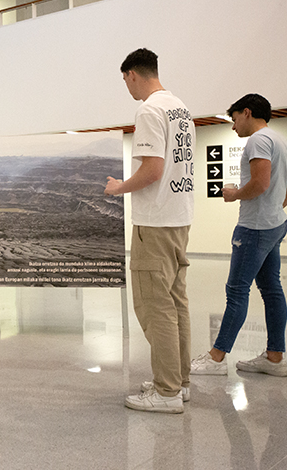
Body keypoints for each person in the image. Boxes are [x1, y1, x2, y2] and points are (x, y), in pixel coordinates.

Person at [105, 48, 195, 414]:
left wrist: (119, 188)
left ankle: (166, 391)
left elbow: (153, 170)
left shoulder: (149, 110)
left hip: (155, 223)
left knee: (155, 307)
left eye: (125, 81)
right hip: (179, 218)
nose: (127, 87)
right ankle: (179, 382)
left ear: (131, 75)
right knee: (176, 302)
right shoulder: (180, 108)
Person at [191, 94, 287, 377]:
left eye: (235, 118)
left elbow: (260, 183)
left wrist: (234, 194)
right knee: (272, 290)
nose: (233, 125)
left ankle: (216, 358)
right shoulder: (281, 141)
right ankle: (274, 358)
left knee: (237, 291)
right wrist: (273, 210)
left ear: (247, 112)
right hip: (275, 225)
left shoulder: (258, 140)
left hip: (254, 229)